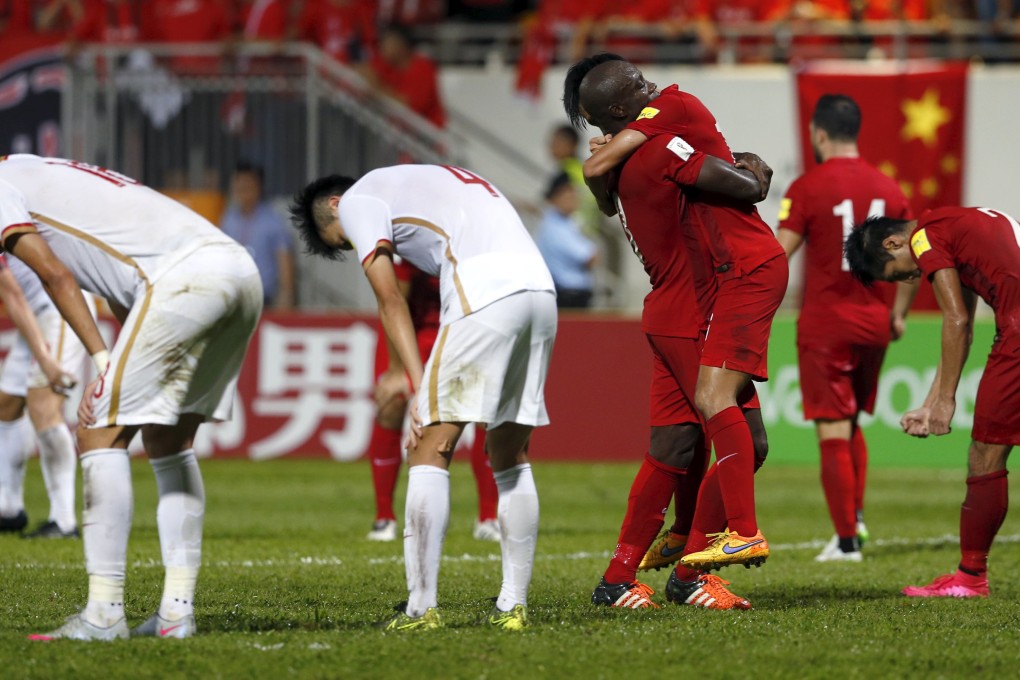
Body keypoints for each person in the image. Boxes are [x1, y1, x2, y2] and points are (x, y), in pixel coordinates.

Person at [0, 155, 262, 641]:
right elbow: (123, 280)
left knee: (98, 428)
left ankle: (103, 615)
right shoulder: (41, 171)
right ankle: (176, 615)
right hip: (238, 272)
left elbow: (54, 275)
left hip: (185, 279)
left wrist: (103, 364)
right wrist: (119, 361)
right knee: (169, 438)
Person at [291, 164, 556, 631]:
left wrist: (416, 385)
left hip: (484, 290)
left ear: (334, 206)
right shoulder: (428, 178)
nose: (354, 244)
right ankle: (512, 606)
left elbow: (389, 298)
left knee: (427, 446)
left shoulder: (356, 200)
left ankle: (420, 608)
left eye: (343, 240)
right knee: (510, 452)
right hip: (540, 289)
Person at [565, 58, 774, 608]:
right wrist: (752, 170)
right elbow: (745, 187)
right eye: (636, 85)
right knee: (745, 441)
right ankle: (693, 571)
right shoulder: (662, 144)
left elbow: (606, 195)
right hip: (693, 310)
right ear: (619, 111)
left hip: (664, 310)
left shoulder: (616, 165)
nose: (650, 84)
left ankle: (618, 579)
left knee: (673, 448)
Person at [844, 207, 1020, 598]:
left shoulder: (925, 236)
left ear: (893, 243)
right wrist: (930, 401)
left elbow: (954, 319)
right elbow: (967, 328)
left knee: (985, 455)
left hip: (1018, 332)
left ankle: (971, 577)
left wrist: (946, 403)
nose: (913, 277)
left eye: (901, 273)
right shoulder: (960, 224)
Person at [776, 94, 915, 563]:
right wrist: (898, 315)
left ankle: (846, 542)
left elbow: (780, 256)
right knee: (852, 419)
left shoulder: (808, 186)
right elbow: (918, 256)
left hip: (826, 323)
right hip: (875, 322)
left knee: (832, 428)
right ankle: (853, 519)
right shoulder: (890, 188)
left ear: (819, 134)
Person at [366, 258, 500, 543]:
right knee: (392, 403)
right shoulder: (413, 233)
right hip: (411, 331)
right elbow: (394, 298)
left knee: (486, 409)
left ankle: (488, 517)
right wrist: (397, 369)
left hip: (461, 329)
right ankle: (384, 516)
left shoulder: (475, 231)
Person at [0, 254, 94, 539]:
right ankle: (7, 508)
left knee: (44, 406)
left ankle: (64, 521)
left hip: (61, 308)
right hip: (38, 313)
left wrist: (45, 360)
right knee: (7, 404)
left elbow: (13, 296)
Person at [220, 161, 296, 310]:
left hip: (264, 300)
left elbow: (284, 258)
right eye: (238, 186)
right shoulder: (228, 219)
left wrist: (286, 295)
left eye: (246, 186)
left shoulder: (272, 221)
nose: (242, 191)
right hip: (235, 300)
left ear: (258, 187)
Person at [361, 23, 445, 129]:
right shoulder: (388, 65)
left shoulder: (422, 67)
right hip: (402, 134)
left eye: (387, 44)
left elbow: (412, 106)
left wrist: (378, 90)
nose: (382, 49)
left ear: (401, 45)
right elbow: (366, 73)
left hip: (426, 135)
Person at [534, 172, 597, 309]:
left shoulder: (568, 222)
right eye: (568, 194)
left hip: (574, 295)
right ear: (555, 198)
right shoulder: (553, 226)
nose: (574, 198)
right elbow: (589, 258)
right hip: (567, 296)